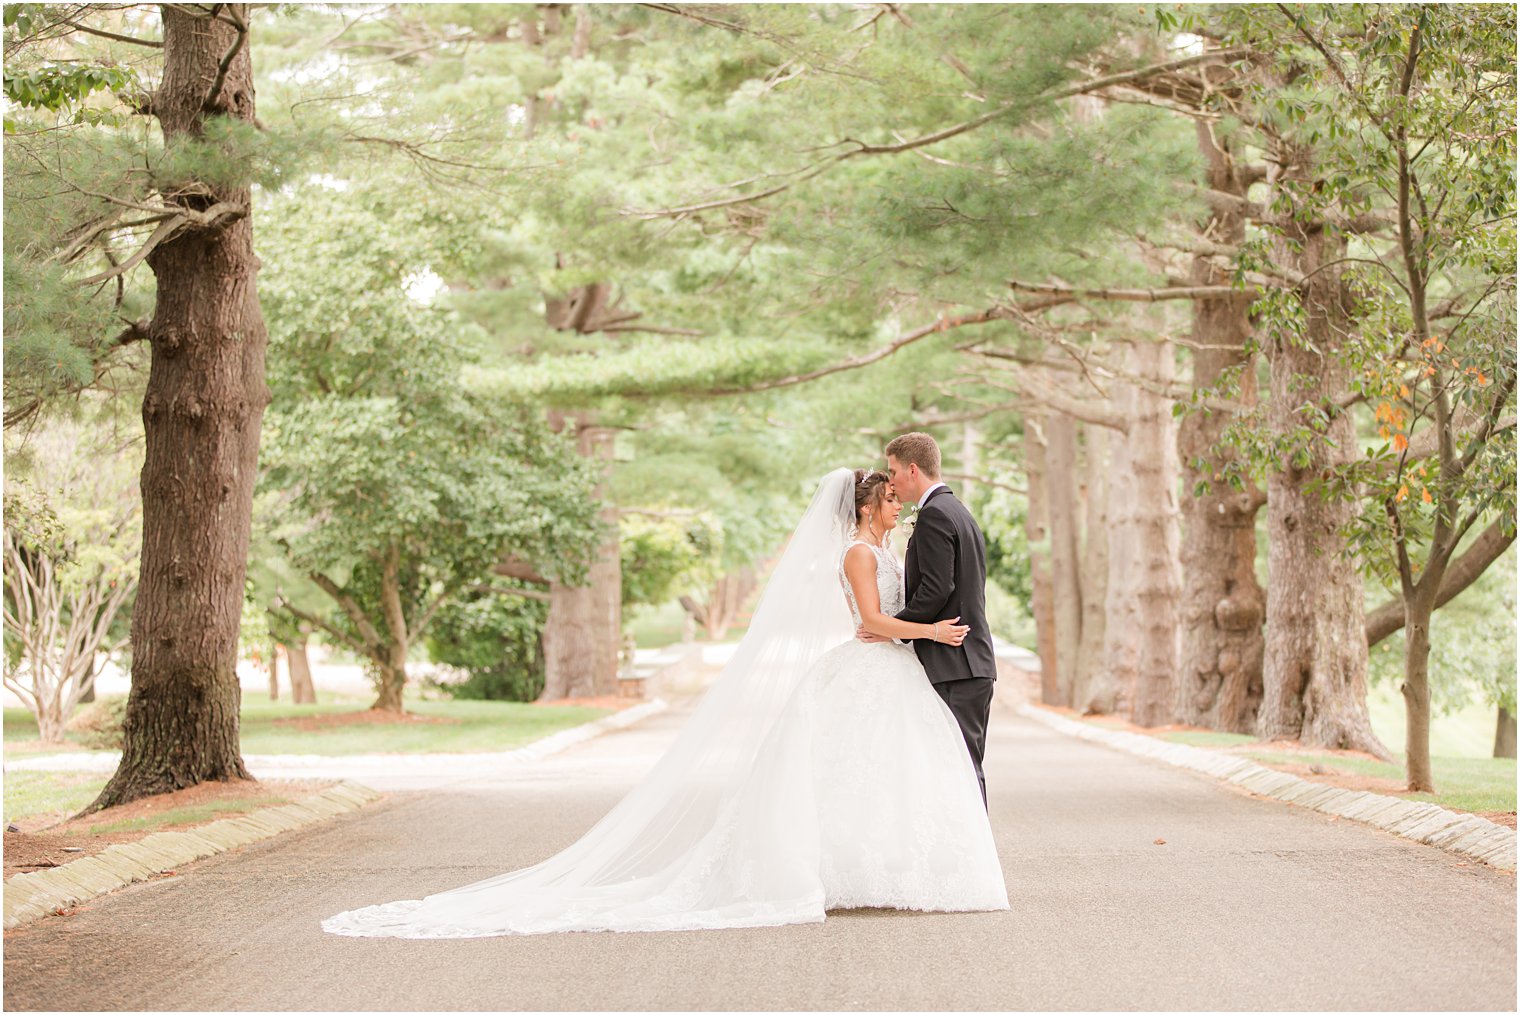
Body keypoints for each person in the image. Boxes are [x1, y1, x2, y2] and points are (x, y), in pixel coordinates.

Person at [322, 466, 1007, 939]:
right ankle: (827, 872)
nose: (897, 504)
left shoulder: (890, 548)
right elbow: (871, 623)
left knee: (882, 774)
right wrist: (929, 630)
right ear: (864, 507)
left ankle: (883, 867)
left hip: (888, 675)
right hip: (870, 662)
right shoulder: (860, 556)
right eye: (889, 498)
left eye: (896, 497)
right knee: (842, 771)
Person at [872, 432, 998, 807]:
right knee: (960, 765)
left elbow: (936, 590)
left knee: (959, 767)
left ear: (912, 469)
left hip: (955, 664)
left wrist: (890, 628)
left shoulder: (936, 515)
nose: (890, 480)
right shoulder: (956, 510)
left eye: (893, 471)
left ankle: (976, 862)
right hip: (967, 663)